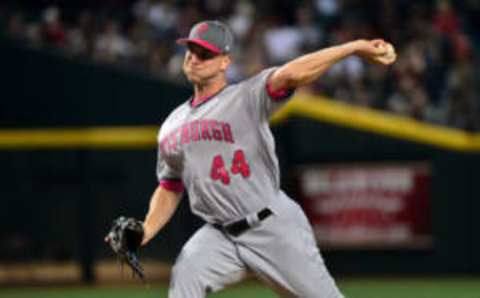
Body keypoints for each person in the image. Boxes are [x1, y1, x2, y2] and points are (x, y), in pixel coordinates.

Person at [141, 20, 395, 297]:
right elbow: (170, 186)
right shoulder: (171, 125)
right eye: (191, 49)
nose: (194, 57)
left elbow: (291, 74)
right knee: (185, 277)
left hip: (270, 225)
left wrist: (353, 47)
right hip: (218, 235)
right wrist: (145, 230)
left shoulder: (246, 96)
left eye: (205, 53)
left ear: (225, 61)